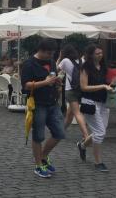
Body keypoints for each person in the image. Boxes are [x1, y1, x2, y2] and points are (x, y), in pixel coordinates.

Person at [20, 39, 65, 179]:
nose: (51, 56)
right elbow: (26, 85)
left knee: (59, 132)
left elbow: (51, 76)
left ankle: (44, 156)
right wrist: (45, 82)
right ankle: (39, 165)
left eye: (52, 53)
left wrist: (56, 81)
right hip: (37, 103)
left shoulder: (51, 62)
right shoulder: (29, 64)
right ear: (41, 50)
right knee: (38, 135)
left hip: (52, 102)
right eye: (49, 53)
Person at [79, 45, 114, 172]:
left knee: (100, 131)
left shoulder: (103, 67)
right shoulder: (85, 68)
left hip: (103, 102)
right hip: (90, 102)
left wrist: (112, 84)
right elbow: (84, 87)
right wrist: (103, 86)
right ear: (91, 55)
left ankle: (82, 145)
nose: (100, 55)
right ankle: (98, 162)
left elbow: (106, 82)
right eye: (97, 53)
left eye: (101, 53)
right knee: (100, 133)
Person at [57, 44, 90, 157]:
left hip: (70, 90)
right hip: (79, 90)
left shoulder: (65, 60)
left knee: (76, 113)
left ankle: (86, 136)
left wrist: (59, 57)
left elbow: (55, 69)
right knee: (69, 115)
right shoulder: (79, 60)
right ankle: (60, 131)